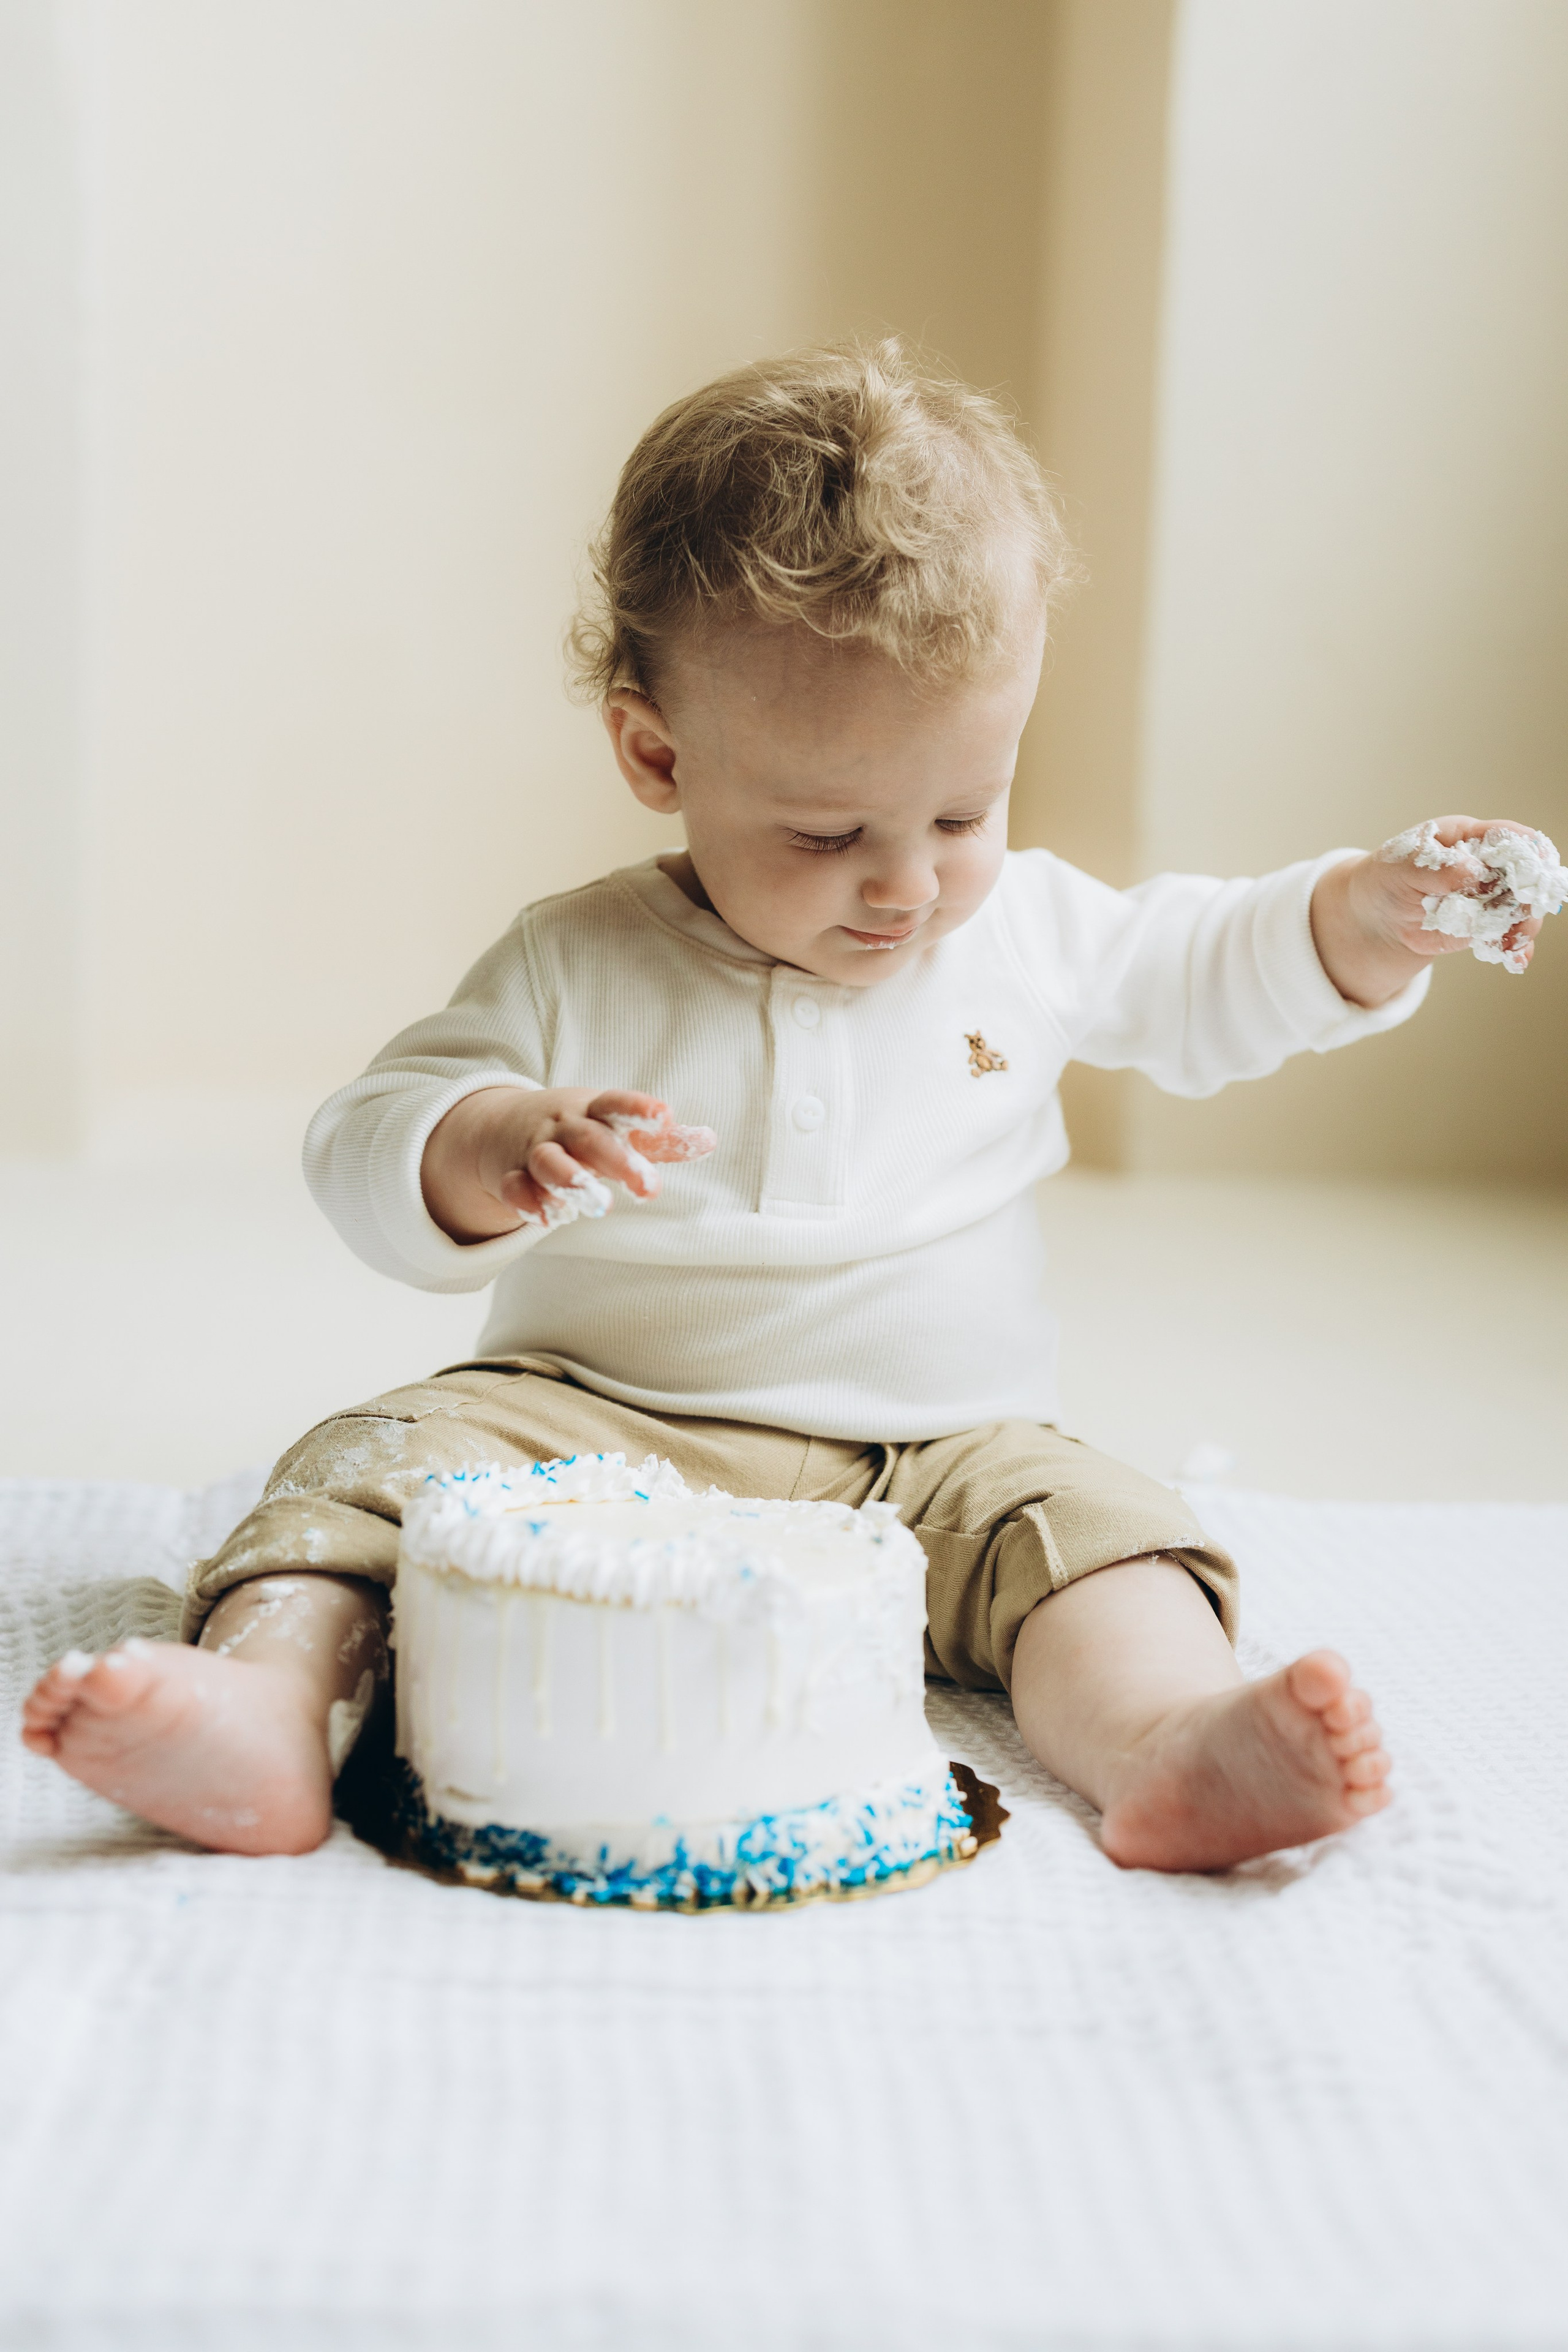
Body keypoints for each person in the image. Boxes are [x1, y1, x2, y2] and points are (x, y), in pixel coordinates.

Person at [21, 342, 1547, 1872]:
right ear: (656, 752)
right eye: (824, 833)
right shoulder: (579, 956)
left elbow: (1221, 963)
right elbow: (365, 1137)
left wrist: (1368, 910)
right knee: (367, 1468)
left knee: (1101, 1544)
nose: (905, 884)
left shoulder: (1022, 931)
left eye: (964, 810)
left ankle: (1166, 1743)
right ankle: (268, 1709)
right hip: (588, 1428)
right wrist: (482, 1144)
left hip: (941, 1459)